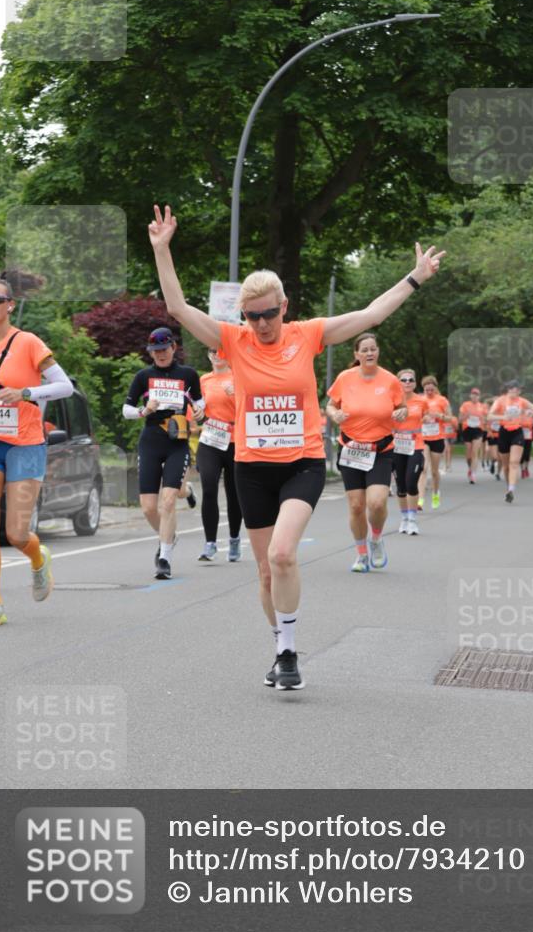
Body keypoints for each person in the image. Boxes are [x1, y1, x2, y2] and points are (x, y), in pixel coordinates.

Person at [149, 204, 444, 690]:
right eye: (252, 316)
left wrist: (413, 278)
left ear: (284, 307)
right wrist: (162, 251)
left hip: (301, 463)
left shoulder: (308, 335)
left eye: (268, 314)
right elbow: (179, 309)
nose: (261, 324)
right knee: (265, 573)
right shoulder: (234, 341)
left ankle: (288, 656)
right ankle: (281, 646)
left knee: (284, 555)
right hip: (252, 466)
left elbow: (370, 313)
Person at [0, 276, 73, 626]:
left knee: (16, 533)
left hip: (26, 443)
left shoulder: (28, 342)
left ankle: (37, 557)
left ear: (10, 305)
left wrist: (25, 393)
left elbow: (64, 387)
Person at [122, 326, 203, 579]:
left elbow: (200, 403)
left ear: (173, 348)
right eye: (155, 351)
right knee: (148, 508)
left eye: (164, 349)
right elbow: (126, 410)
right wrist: (144, 410)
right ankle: (171, 531)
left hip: (177, 440)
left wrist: (200, 412)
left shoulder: (188, 375)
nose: (160, 354)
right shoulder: (143, 376)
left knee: (168, 500)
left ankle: (164, 556)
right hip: (151, 440)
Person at [326, 335, 407, 572]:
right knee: (356, 506)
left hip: (380, 450)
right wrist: (334, 415)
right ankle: (361, 554)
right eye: (365, 350)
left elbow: (402, 406)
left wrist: (402, 413)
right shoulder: (345, 378)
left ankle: (376, 539)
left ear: (378, 352)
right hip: (351, 449)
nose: (370, 353)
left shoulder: (390, 380)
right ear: (357, 355)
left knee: (377, 502)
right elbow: (330, 404)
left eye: (373, 349)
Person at [194, 346, 243, 562]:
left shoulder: (239, 377)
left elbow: (252, 406)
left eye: (222, 351)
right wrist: (197, 414)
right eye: (213, 351)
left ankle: (234, 539)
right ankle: (210, 543)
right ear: (208, 355)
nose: (217, 355)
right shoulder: (203, 380)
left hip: (235, 441)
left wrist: (239, 394)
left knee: (234, 493)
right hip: (211, 439)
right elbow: (196, 412)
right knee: (209, 486)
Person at [488, 380, 533, 503]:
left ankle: (511, 489)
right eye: (513, 389)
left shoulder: (522, 401)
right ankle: (508, 487)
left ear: (519, 391)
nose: (515, 391)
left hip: (517, 432)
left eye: (517, 389)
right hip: (504, 432)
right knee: (506, 466)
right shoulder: (500, 401)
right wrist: (503, 417)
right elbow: (489, 416)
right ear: (508, 389)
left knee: (514, 463)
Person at [391, 369, 426, 535]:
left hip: (415, 446)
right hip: (397, 447)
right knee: (401, 486)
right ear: (398, 382)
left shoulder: (421, 401)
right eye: (403, 380)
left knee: (412, 482)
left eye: (410, 380)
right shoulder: (391, 401)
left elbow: (425, 418)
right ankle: (404, 518)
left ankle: (413, 520)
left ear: (415, 382)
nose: (407, 382)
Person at [417, 375, 451, 509]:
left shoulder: (442, 400)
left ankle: (436, 494)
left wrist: (440, 416)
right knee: (423, 469)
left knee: (435, 471)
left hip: (437, 438)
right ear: (423, 389)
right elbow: (414, 419)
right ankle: (420, 499)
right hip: (423, 438)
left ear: (435, 388)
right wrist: (422, 420)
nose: (429, 392)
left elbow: (450, 418)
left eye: (431, 390)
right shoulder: (419, 400)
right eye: (427, 390)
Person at [459, 387, 487, 484]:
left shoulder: (482, 406)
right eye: (473, 394)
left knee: (475, 452)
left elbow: (486, 420)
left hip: (478, 430)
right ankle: (470, 468)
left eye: (477, 395)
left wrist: (481, 417)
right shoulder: (465, 405)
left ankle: (473, 474)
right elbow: (460, 419)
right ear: (470, 395)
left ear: (479, 396)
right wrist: (467, 415)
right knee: (469, 454)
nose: (475, 396)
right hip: (467, 429)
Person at [519, 408, 533, 479]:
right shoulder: (519, 417)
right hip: (520, 438)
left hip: (529, 438)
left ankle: (526, 468)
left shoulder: (530, 416)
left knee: (527, 454)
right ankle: (522, 470)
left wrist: (530, 414)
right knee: (521, 455)